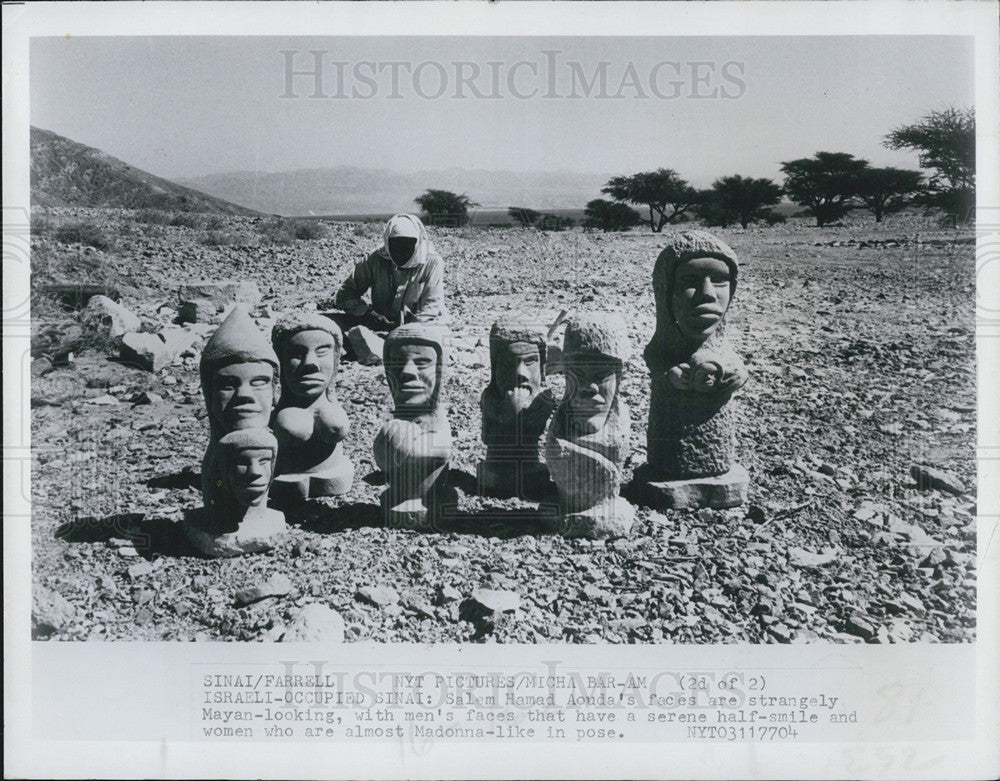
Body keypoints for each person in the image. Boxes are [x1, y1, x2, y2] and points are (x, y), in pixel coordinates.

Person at [329, 214, 448, 363]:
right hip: (378, 323)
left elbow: (430, 306)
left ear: (418, 242)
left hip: (422, 324)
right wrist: (367, 313)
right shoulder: (375, 259)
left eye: (407, 245)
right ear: (387, 242)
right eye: (395, 245)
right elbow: (346, 294)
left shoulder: (432, 261)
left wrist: (408, 326)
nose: (401, 251)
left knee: (434, 339)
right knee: (327, 324)